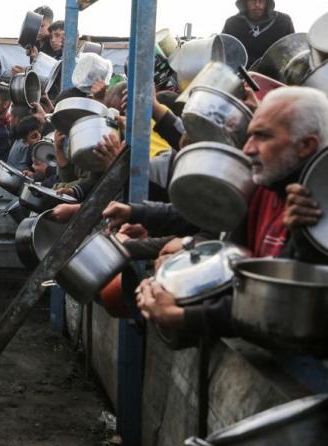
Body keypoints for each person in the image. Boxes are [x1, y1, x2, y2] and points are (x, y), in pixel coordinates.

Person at [136, 86, 328, 336]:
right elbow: (229, 262)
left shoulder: (312, 209)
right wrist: (174, 275)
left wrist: (185, 317)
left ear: (305, 145)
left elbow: (281, 301)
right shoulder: (261, 185)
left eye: (263, 136)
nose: (247, 149)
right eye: (249, 135)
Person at [222, 0, 295, 67]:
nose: (257, 4)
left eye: (261, 0)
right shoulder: (231, 23)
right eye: (252, 0)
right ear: (245, 2)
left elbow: (293, 53)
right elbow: (222, 53)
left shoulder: (284, 22)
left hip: (274, 76)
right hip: (241, 76)